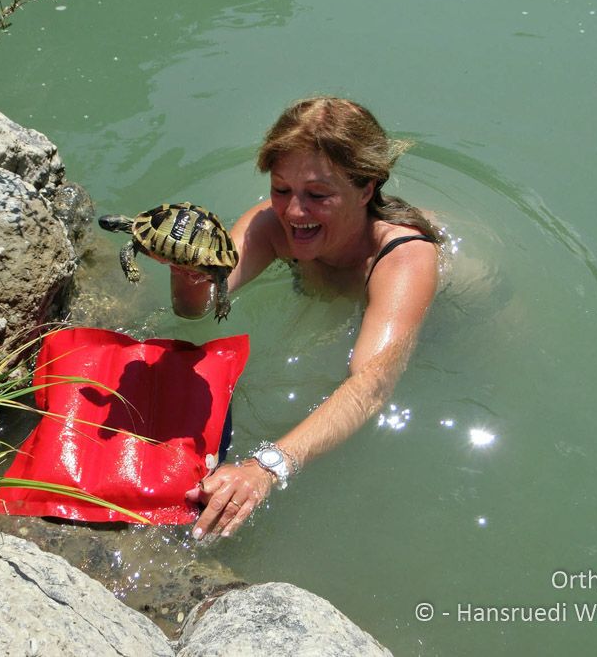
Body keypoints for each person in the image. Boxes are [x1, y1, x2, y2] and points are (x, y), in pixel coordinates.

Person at [177, 96, 441, 540]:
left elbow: (373, 386)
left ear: (367, 188)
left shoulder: (403, 257)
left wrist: (267, 467)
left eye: (317, 195)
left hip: (454, 315)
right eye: (281, 189)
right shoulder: (271, 225)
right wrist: (186, 271)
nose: (294, 212)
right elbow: (196, 309)